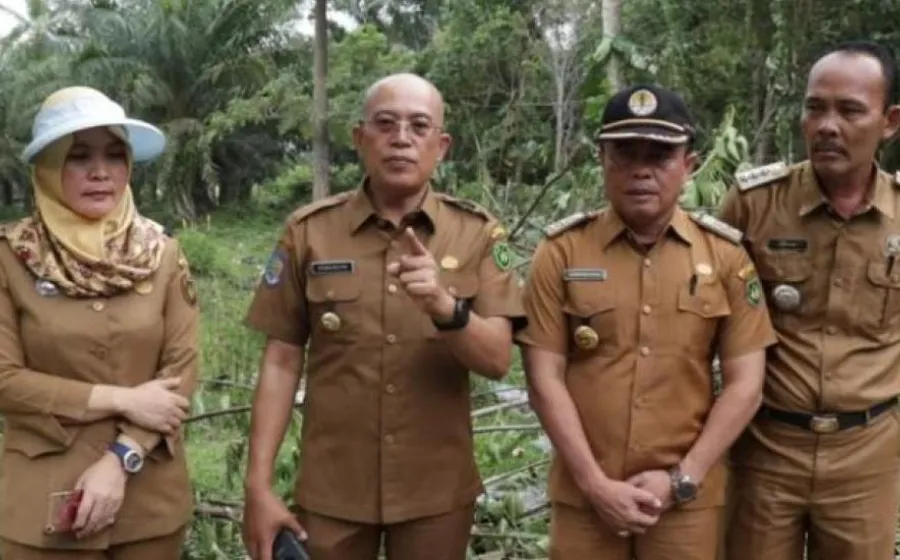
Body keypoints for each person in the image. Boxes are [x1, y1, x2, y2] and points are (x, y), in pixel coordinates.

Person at [240, 72, 526, 560]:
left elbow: (498, 359)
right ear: (360, 138)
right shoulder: (310, 232)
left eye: (419, 126)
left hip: (436, 496)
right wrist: (258, 485)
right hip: (333, 491)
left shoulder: (477, 233)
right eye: (386, 124)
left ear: (442, 146)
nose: (401, 139)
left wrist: (444, 307)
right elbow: (281, 361)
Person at [517, 84, 778, 560]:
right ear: (602, 159)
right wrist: (595, 484)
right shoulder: (561, 253)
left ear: (688, 165)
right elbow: (543, 378)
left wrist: (683, 478)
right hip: (585, 497)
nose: (641, 170)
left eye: (659, 156)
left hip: (686, 503)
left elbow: (746, 384)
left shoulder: (725, 256)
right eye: (625, 154)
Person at [718, 41, 900, 560]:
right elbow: (705, 322)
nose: (826, 126)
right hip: (766, 448)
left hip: (867, 455)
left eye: (849, 111)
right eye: (814, 107)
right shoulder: (753, 205)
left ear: (889, 122)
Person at [0, 86, 199, 559]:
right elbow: (4, 379)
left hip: (150, 504)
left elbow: (181, 371)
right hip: (41, 508)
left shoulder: (162, 253)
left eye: (114, 155)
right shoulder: (9, 258)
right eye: (78, 156)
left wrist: (122, 456)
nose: (100, 172)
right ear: (47, 167)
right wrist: (122, 399)